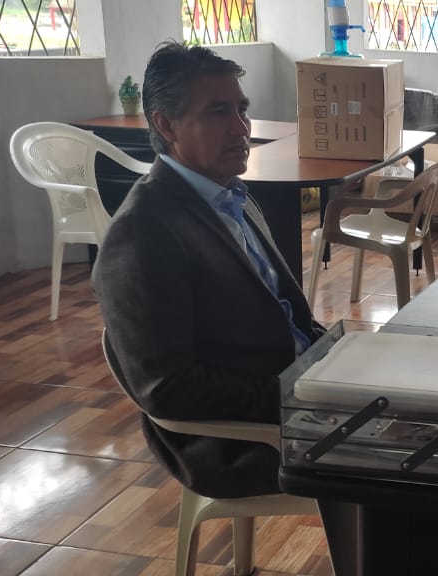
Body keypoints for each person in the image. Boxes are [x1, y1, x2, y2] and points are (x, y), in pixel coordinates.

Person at [94, 41, 325, 499]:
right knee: (422, 474)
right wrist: (295, 393)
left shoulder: (233, 197)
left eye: (242, 110)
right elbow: (168, 388)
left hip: (296, 388)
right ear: (166, 124)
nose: (240, 128)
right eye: (218, 112)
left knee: (437, 419)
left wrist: (337, 364)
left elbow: (287, 317)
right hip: (236, 442)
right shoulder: (143, 233)